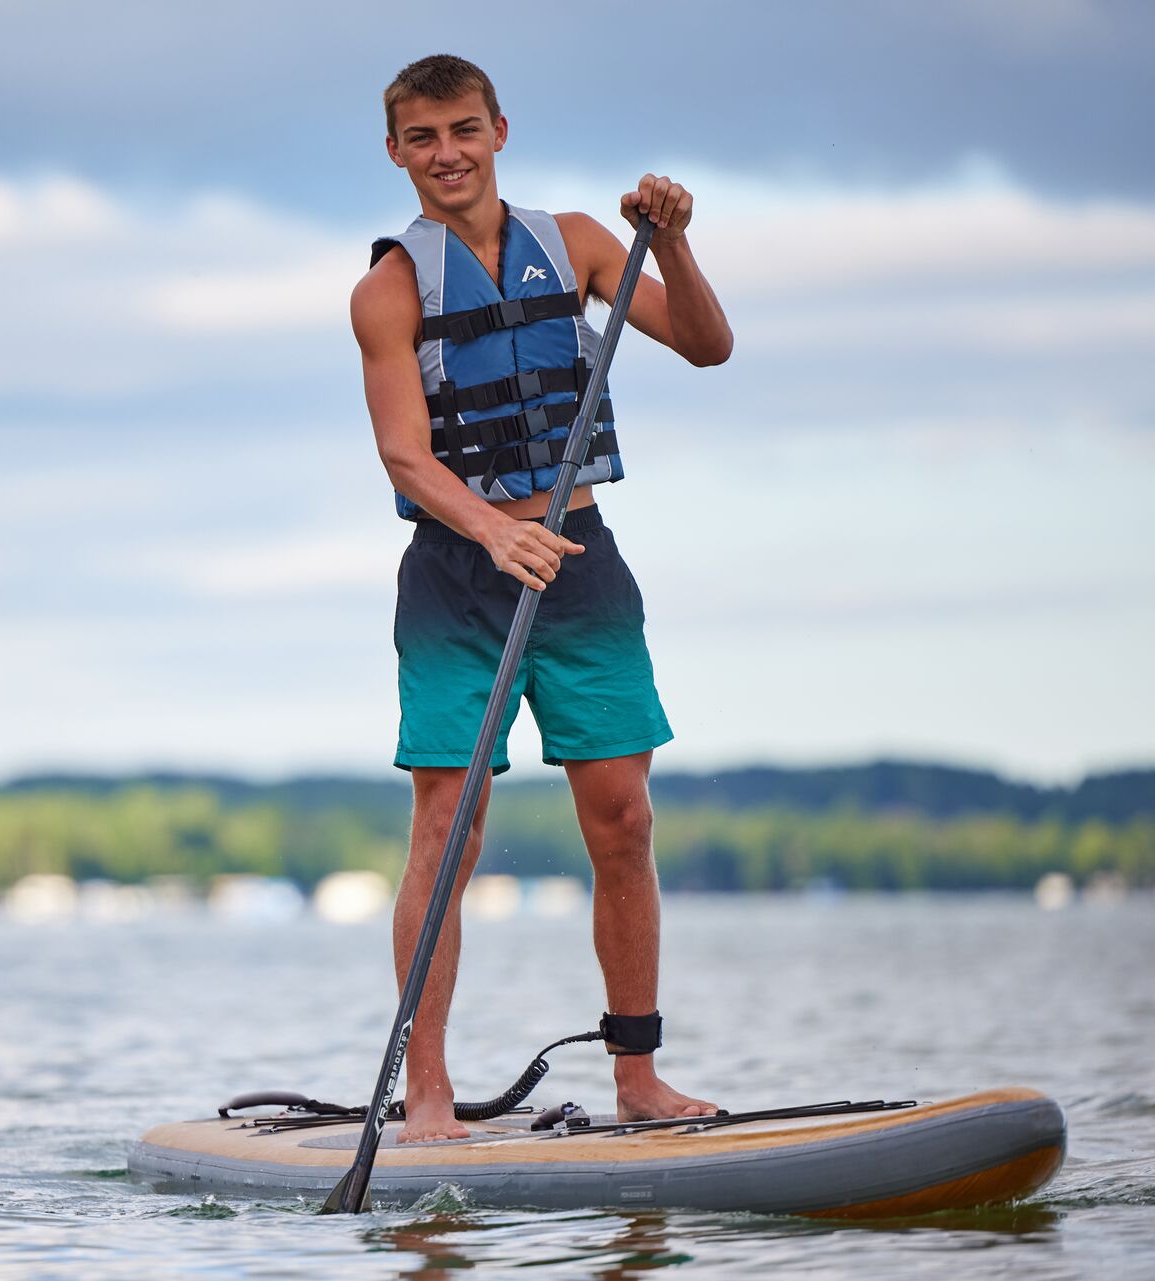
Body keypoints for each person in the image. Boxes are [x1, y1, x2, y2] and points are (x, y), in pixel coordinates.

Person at [350, 54, 735, 1141]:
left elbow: (708, 345)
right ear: (395, 153)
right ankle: (426, 1091)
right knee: (449, 828)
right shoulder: (386, 290)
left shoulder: (577, 243)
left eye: (463, 129)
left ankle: (639, 1079)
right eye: (422, 138)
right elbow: (403, 456)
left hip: (581, 567)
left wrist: (677, 240)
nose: (447, 154)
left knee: (622, 821)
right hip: (455, 579)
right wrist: (492, 530)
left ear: (499, 130)